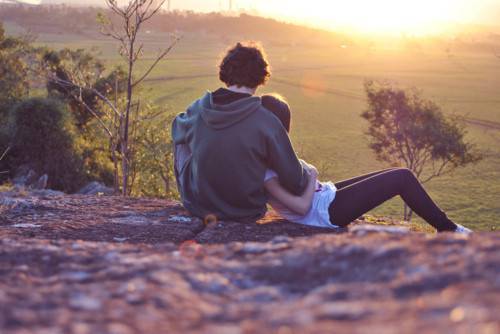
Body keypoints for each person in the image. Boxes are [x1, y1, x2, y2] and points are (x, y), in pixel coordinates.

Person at [260, 94, 473, 234]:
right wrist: (313, 174)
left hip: (327, 196)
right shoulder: (267, 171)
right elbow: (301, 207)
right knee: (402, 177)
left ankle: (447, 227)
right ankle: (449, 230)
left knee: (394, 173)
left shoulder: (274, 154)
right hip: (326, 213)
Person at [171, 42, 309, 222]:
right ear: (261, 76)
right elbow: (296, 181)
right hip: (247, 211)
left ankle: (199, 191)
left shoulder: (197, 109)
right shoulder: (267, 121)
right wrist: (308, 174)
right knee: (264, 149)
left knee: (182, 134)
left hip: (198, 207)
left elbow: (176, 130)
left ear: (225, 71)